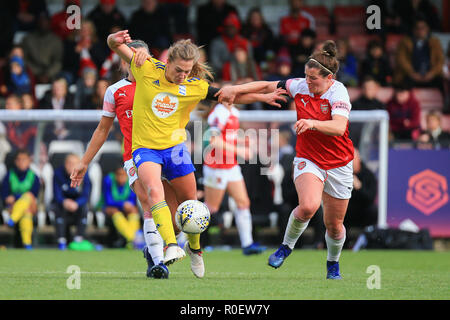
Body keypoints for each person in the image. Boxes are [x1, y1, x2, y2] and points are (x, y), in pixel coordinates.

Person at [105, 29, 286, 278]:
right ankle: (170, 246)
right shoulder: (146, 68)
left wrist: (263, 95)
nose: (182, 75)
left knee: (190, 205)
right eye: (178, 70)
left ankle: (195, 249)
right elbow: (115, 46)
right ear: (167, 62)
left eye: (187, 71)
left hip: (176, 149)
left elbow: (230, 94)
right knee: (153, 191)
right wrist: (116, 40)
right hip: (145, 148)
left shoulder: (194, 86)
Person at [216, 40, 355, 279]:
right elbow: (266, 86)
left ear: (329, 79)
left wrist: (312, 122)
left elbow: (339, 127)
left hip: (340, 163)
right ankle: (285, 247)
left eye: (313, 79)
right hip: (308, 159)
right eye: (306, 76)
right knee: (309, 206)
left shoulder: (339, 92)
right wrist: (235, 90)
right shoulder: (299, 85)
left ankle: (333, 263)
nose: (307, 82)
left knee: (334, 225)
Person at [71, 40, 173, 279]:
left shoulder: (162, 84)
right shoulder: (114, 91)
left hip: (165, 153)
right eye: (133, 56)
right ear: (124, 60)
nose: (138, 61)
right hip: (134, 156)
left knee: (169, 207)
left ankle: (157, 249)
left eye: (144, 56)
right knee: (149, 202)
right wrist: (84, 161)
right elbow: (102, 129)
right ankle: (158, 262)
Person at [203, 102, 266, 255]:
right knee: (211, 208)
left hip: (231, 165)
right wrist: (240, 150)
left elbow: (228, 138)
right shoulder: (219, 113)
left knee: (243, 202)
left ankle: (247, 244)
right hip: (216, 167)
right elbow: (214, 141)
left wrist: (243, 142)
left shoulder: (234, 112)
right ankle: (184, 238)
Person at [1, 149, 40, 249]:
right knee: (26, 211)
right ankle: (27, 244)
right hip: (11, 207)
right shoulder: (9, 175)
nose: (21, 162)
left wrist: (15, 197)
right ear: (15, 161)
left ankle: (12, 219)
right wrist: (9, 200)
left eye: (24, 159)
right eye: (18, 159)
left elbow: (33, 195)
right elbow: (4, 195)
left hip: (30, 206)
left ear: (29, 161)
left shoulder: (34, 176)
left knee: (27, 197)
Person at [52, 153, 91, 251]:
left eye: (74, 163)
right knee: (57, 208)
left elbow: (86, 195)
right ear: (65, 164)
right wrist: (64, 201)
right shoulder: (58, 174)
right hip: (63, 204)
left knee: (84, 208)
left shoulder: (84, 176)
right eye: (69, 163)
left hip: (77, 205)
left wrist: (77, 203)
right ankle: (61, 241)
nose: (71, 166)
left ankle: (79, 239)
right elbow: (56, 194)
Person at [394, 16, 444, 89]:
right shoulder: (405, 42)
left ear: (427, 29)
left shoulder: (435, 42)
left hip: (430, 75)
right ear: (413, 30)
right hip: (410, 75)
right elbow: (401, 59)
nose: (420, 30)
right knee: (403, 84)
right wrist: (412, 73)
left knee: (440, 82)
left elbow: (440, 61)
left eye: (423, 28)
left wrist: (432, 73)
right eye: (417, 28)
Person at [102, 161, 141, 249]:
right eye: (119, 175)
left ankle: (130, 240)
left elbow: (132, 199)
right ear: (115, 175)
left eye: (123, 175)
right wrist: (122, 204)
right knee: (114, 211)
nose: (121, 178)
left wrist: (128, 205)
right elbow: (108, 201)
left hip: (125, 207)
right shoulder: (108, 180)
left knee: (134, 210)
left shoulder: (131, 180)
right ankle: (133, 239)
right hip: (109, 207)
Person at [20, 12, 63, 83]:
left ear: (49, 23)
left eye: (45, 21)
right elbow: (24, 59)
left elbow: (58, 62)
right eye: (41, 21)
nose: (43, 23)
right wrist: (36, 73)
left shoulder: (56, 40)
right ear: (37, 22)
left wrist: (48, 74)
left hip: (51, 74)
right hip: (31, 73)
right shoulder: (28, 39)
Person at [344, 148, 378, 229]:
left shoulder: (368, 175)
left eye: (352, 159)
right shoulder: (344, 174)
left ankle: (369, 238)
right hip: (347, 211)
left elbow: (370, 198)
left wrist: (359, 187)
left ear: (358, 159)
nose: (350, 163)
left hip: (363, 211)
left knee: (373, 211)